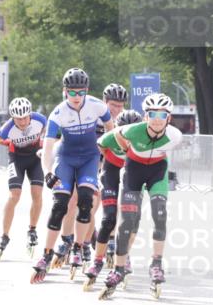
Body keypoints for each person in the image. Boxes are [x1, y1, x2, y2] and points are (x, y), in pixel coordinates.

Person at [31, 68, 113, 283]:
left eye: (81, 92)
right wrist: (48, 172)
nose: (76, 97)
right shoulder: (57, 113)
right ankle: (46, 254)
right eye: (72, 92)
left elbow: (110, 129)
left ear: (87, 90)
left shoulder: (97, 106)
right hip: (65, 158)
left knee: (85, 201)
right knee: (60, 205)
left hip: (89, 159)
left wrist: (106, 153)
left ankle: (77, 247)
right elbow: (47, 147)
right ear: (65, 91)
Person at [97, 93, 182, 300]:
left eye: (162, 115)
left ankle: (156, 264)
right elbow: (104, 140)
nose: (157, 119)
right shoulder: (133, 130)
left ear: (169, 118)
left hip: (157, 173)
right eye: (152, 114)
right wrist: (124, 149)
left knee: (160, 215)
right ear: (145, 116)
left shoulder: (175, 135)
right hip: (133, 171)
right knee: (127, 221)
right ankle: (118, 269)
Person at [55, 82, 129, 271]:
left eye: (120, 106)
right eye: (113, 105)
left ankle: (96, 241)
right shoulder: (93, 114)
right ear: (105, 102)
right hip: (86, 162)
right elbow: (66, 138)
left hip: (108, 165)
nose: (116, 110)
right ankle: (70, 240)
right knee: (75, 201)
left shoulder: (123, 121)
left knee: (103, 204)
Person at [83, 109, 141, 289]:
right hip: (110, 173)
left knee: (131, 220)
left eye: (132, 132)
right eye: (123, 132)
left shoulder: (144, 140)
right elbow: (97, 151)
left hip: (132, 174)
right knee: (109, 219)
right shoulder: (108, 138)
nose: (127, 137)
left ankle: (125, 256)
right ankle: (97, 261)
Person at [0, 97, 48, 260]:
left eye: (25, 118)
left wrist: (43, 140)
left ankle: (32, 230)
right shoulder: (7, 128)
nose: (23, 122)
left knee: (37, 193)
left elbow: (49, 129)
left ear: (30, 114)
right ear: (12, 118)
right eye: (18, 119)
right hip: (17, 159)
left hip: (35, 158)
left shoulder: (40, 120)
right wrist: (9, 144)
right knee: (14, 196)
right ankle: (4, 235)